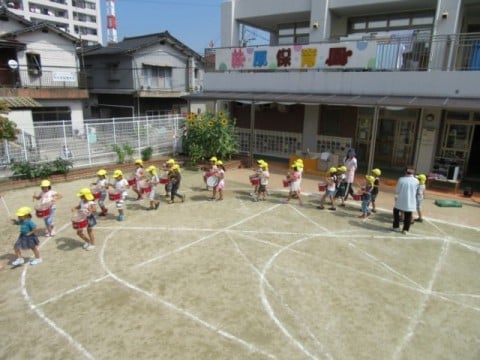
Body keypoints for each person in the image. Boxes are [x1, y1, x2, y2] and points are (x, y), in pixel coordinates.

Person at [392, 167, 419, 234]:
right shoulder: (416, 181)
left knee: (396, 211)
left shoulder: (401, 179)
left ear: (405, 172)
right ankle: (405, 230)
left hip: (401, 200)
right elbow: (416, 190)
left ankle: (396, 227)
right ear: (413, 173)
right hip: (410, 201)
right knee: (408, 215)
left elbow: (397, 190)